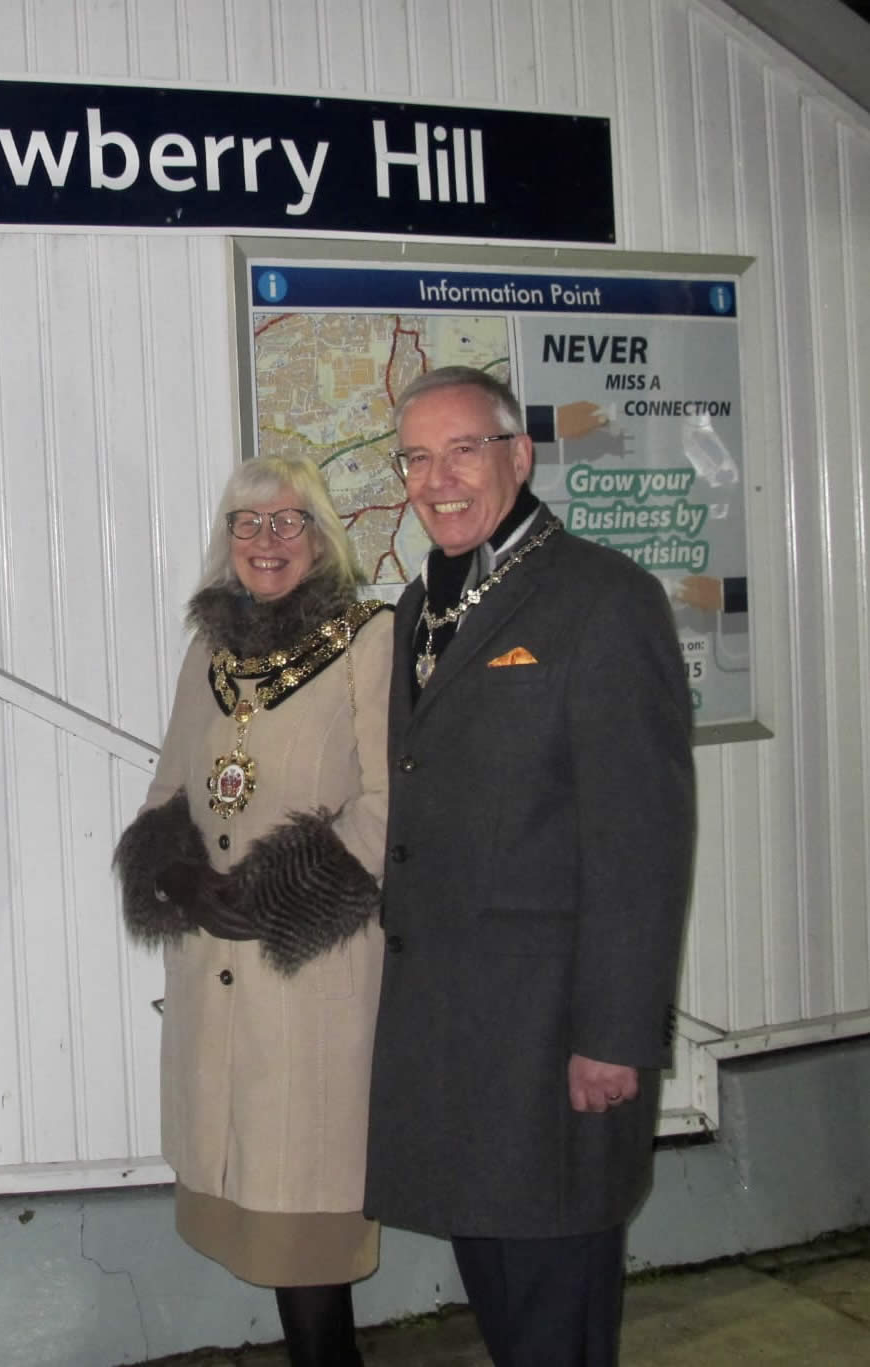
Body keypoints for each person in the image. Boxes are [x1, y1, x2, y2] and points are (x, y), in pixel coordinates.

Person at [364, 366, 695, 1366]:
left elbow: (640, 841)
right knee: (507, 1311)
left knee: (557, 1317)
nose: (438, 479)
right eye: (417, 458)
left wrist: (614, 1035)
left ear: (520, 454)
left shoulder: (602, 599)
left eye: (463, 449)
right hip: (455, 1034)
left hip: (553, 1041)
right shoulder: (420, 606)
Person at [114, 455, 393, 1367]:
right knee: (266, 1226)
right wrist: (177, 875)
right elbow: (169, 791)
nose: (265, 540)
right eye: (246, 522)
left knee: (310, 1236)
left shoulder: (370, 638)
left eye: (287, 521)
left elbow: (391, 806)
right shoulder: (210, 651)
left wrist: (276, 894)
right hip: (216, 984)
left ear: (321, 535)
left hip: (314, 982)